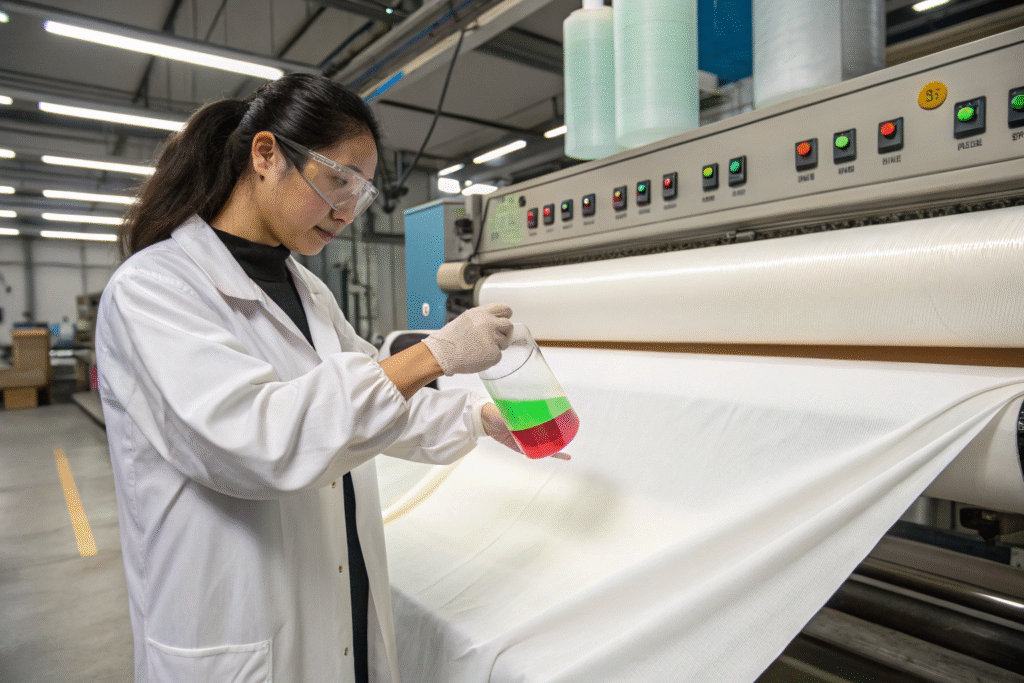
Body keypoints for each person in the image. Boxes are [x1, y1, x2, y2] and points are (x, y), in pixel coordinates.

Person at [95, 73, 565, 683]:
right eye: (338, 180)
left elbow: (371, 399)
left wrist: (479, 417)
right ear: (266, 155)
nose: (346, 211)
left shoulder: (309, 291)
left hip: (335, 605)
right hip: (235, 627)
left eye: (361, 192)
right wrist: (434, 355)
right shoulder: (154, 289)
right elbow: (259, 442)